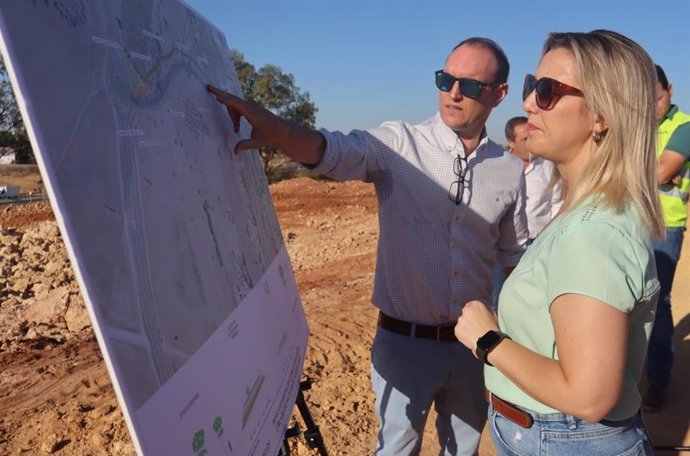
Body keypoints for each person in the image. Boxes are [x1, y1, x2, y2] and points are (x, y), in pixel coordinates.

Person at [208, 37, 528, 456]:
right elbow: (332, 150)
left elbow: (515, 257)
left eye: (469, 86)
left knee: (463, 450)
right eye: (446, 79)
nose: (453, 93)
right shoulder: (398, 144)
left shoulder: (509, 170)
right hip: (404, 343)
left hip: (474, 348)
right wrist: (281, 131)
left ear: (499, 94)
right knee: (396, 449)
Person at [454, 29, 663, 455]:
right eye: (532, 86)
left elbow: (589, 396)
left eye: (547, 91)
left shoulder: (591, 233)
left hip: (563, 440)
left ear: (602, 115)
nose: (528, 102)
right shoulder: (591, 213)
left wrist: (488, 339)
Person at [644, 64, 690, 411]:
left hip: (664, 227)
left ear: (669, 89)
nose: (652, 104)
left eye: (657, 96)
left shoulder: (684, 126)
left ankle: (657, 381)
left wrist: (659, 171)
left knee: (658, 304)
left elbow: (663, 170)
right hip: (629, 221)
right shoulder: (639, 126)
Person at [491, 116, 563, 307]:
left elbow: (557, 204)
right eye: (524, 139)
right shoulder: (498, 168)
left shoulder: (548, 167)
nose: (530, 142)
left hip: (538, 245)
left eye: (531, 135)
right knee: (499, 298)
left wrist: (546, 239)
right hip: (503, 247)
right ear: (510, 142)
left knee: (531, 301)